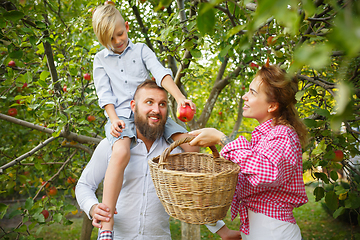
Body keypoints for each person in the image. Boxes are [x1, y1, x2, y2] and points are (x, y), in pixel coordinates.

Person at [75, 80, 241, 240]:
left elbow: (193, 196)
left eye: (162, 104)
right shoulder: (114, 146)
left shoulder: (175, 153)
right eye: (149, 102)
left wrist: (222, 231)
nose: (156, 109)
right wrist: (92, 207)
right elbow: (84, 185)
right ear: (134, 106)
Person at [91, 4, 196, 239]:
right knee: (120, 153)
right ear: (101, 40)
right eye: (111, 38)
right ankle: (106, 227)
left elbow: (160, 73)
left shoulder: (140, 50)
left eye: (121, 34)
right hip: (121, 115)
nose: (118, 40)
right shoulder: (100, 60)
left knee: (191, 145)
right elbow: (104, 94)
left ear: (127, 27)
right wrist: (114, 119)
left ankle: (202, 204)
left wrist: (179, 98)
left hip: (149, 112)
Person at [189, 63, 309, 240]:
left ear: (272, 106)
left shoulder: (283, 134)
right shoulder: (261, 139)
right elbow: (238, 179)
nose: (244, 96)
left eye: (253, 92)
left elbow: (267, 172)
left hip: (274, 233)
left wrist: (222, 139)